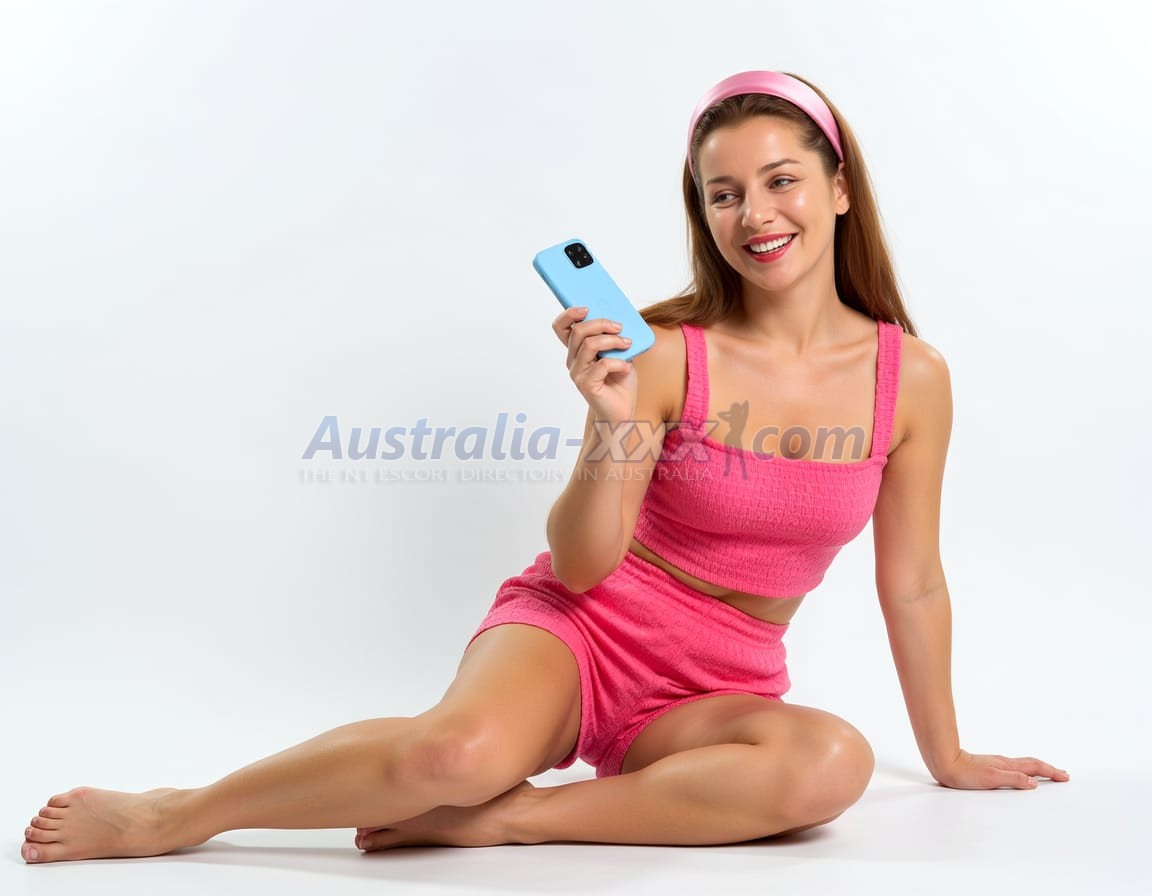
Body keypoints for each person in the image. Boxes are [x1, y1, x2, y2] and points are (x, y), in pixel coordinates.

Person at [20, 70, 1069, 864]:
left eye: (781, 180)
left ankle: (513, 818)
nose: (755, 215)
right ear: (703, 214)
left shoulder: (911, 378)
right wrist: (612, 421)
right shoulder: (665, 355)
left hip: (721, 681)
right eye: (722, 193)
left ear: (840, 189)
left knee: (831, 763)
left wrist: (948, 755)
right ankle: (178, 812)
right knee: (453, 755)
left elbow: (913, 582)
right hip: (583, 627)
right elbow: (581, 562)